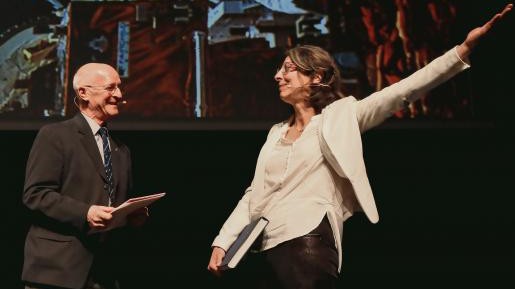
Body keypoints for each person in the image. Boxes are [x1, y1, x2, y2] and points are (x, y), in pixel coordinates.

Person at [207, 4, 512, 289]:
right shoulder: (275, 133)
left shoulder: (340, 116)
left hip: (307, 240)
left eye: (288, 69)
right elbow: (254, 193)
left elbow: (402, 91)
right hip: (267, 248)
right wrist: (223, 241)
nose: (278, 76)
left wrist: (463, 49)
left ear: (316, 77)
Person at [22, 63, 148, 289]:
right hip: (57, 271)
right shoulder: (55, 136)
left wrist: (129, 217)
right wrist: (85, 212)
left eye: (119, 87)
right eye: (111, 88)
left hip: (105, 272)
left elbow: (112, 205)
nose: (119, 95)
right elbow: (35, 195)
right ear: (83, 93)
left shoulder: (121, 149)